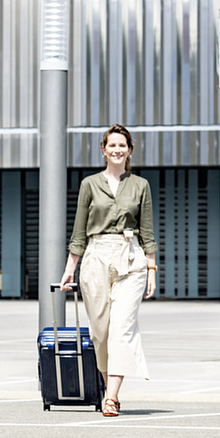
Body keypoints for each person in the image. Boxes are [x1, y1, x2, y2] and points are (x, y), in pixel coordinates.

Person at [60, 124, 157, 417]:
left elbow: (147, 231)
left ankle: (111, 397)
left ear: (129, 151)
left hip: (131, 258)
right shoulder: (90, 184)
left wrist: (152, 268)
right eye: (112, 145)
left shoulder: (140, 185)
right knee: (101, 333)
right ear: (103, 150)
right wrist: (70, 269)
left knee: (121, 329)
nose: (117, 150)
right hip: (96, 257)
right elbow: (79, 231)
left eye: (122, 146)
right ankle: (107, 387)